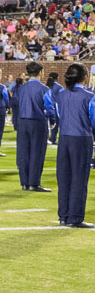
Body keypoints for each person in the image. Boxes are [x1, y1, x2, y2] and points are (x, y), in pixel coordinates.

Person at [54, 64, 95, 228]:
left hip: (64, 138)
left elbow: (58, 115)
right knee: (79, 178)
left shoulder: (61, 94)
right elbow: (93, 119)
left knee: (64, 178)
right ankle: (75, 217)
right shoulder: (89, 95)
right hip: (81, 138)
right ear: (85, 76)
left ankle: (63, 215)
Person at [17, 61, 55, 192]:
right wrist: (53, 120)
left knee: (23, 153)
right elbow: (49, 108)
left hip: (22, 121)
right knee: (36, 153)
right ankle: (34, 183)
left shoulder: (21, 87)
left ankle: (24, 183)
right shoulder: (44, 89)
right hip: (38, 122)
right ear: (40, 72)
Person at [48, 71, 63, 144]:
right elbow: (62, 98)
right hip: (55, 107)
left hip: (46, 106)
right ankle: (53, 138)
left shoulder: (46, 86)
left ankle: (48, 138)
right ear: (57, 78)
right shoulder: (59, 87)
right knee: (56, 123)